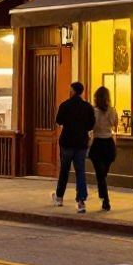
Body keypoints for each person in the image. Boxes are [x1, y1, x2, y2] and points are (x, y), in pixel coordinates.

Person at [51, 82, 95, 213]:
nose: (69, 91)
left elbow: (58, 121)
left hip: (67, 142)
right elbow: (91, 125)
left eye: (70, 90)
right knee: (80, 171)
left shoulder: (65, 105)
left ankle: (59, 197)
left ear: (73, 91)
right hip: (81, 143)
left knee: (64, 170)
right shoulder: (87, 107)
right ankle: (81, 201)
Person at [89, 86, 119, 212]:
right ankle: (104, 197)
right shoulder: (112, 111)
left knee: (100, 175)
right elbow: (115, 124)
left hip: (97, 144)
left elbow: (90, 126)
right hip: (109, 144)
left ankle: (105, 199)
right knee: (103, 174)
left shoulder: (93, 111)